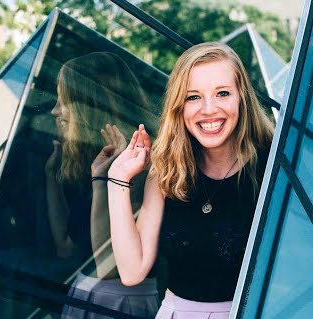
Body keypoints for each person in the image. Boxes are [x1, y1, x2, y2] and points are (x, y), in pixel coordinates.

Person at [99, 42, 274, 318]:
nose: (208, 109)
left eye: (222, 93)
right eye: (193, 97)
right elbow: (132, 272)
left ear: (242, 98)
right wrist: (117, 179)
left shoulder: (273, 166)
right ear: (178, 106)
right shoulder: (168, 169)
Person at [45, 52, 159, 318]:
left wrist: (104, 182)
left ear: (89, 104)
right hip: (84, 293)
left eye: (64, 101)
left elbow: (108, 266)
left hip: (119, 302)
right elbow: (65, 247)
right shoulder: (90, 159)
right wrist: (52, 177)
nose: (54, 111)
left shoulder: (139, 162)